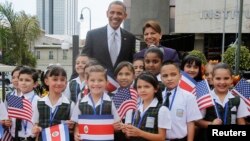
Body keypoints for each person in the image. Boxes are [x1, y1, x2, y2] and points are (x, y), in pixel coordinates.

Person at [195, 63, 249, 141]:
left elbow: (241, 122)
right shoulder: (206, 98)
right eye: (218, 78)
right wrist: (211, 124)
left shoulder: (238, 100)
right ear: (212, 79)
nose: (222, 82)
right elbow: (197, 121)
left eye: (226, 78)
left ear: (231, 79)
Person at [81, 1, 136, 75]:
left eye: (119, 13)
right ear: (107, 13)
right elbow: (84, 60)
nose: (115, 16)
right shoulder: (93, 35)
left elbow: (131, 62)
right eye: (112, 12)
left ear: (125, 16)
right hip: (98, 83)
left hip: (121, 83)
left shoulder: (130, 38)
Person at [71, 65, 121, 141]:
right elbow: (77, 125)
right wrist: (76, 133)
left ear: (106, 82)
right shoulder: (81, 103)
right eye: (92, 80)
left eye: (100, 80)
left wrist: (115, 128)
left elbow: (117, 125)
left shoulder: (110, 102)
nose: (96, 84)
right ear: (87, 82)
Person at [122, 71, 171, 141]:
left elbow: (161, 137)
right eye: (139, 87)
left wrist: (140, 133)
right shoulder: (135, 108)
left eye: (146, 86)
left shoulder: (162, 109)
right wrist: (128, 131)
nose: (142, 90)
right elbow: (129, 136)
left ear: (156, 89)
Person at [160, 61, 202, 141]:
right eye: (165, 76)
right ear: (161, 78)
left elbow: (190, 123)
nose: (169, 78)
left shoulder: (188, 97)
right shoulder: (158, 97)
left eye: (173, 74)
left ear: (180, 76)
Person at [32, 66, 75, 140]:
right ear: (46, 81)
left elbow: (73, 128)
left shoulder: (70, 104)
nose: (59, 83)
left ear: (66, 82)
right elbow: (35, 123)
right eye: (55, 79)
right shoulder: (39, 102)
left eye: (62, 80)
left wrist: (71, 126)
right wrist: (36, 128)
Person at [5, 67, 40, 141]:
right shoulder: (14, 98)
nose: (23, 83)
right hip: (14, 138)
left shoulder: (38, 101)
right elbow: (12, 119)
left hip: (30, 138)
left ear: (35, 84)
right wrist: (8, 122)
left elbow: (40, 123)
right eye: (21, 80)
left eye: (27, 80)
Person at [112, 61, 138, 141]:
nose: (123, 77)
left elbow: (130, 109)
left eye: (127, 74)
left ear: (133, 76)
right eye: (120, 74)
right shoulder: (113, 94)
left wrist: (127, 125)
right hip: (115, 129)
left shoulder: (135, 92)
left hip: (130, 129)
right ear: (116, 77)